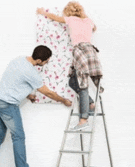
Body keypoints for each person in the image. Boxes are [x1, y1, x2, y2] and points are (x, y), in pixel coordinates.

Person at [0, 45, 72, 167]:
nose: (46, 63)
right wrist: (63, 100)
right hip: (8, 105)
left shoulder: (19, 60)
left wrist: (28, 95)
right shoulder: (31, 73)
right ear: (40, 60)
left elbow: (13, 81)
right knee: (18, 137)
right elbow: (47, 92)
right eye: (46, 61)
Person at [37, 1, 103, 131]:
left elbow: (56, 18)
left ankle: (83, 120)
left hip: (80, 51)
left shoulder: (71, 19)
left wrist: (42, 12)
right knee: (73, 81)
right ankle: (90, 103)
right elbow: (94, 28)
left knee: (81, 84)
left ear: (69, 12)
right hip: (91, 52)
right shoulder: (88, 21)